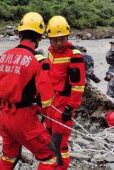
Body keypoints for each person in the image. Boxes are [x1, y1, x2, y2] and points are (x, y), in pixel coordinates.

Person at [0, 12, 57, 170]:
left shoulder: (4, 55)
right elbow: (47, 99)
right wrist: (41, 112)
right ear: (40, 36)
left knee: (9, 156)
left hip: (4, 115)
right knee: (50, 157)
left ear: (20, 33)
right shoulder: (38, 61)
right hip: (24, 118)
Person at [45, 16, 85, 169]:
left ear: (67, 36)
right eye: (55, 39)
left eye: (62, 39)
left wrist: (70, 108)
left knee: (60, 143)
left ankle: (61, 167)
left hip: (63, 105)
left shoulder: (75, 55)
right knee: (48, 138)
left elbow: (78, 86)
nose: (58, 43)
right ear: (49, 39)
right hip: (50, 104)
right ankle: (51, 165)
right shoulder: (50, 52)